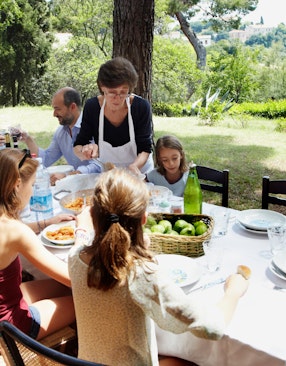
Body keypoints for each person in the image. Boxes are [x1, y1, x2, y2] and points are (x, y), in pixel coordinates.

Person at [70, 168, 249, 365]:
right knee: (195, 361)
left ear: (93, 215)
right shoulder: (141, 275)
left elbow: (81, 243)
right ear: (144, 220)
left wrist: (81, 229)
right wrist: (233, 291)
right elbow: (212, 328)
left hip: (85, 362)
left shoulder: (74, 258)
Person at [0, 148, 75, 340]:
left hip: (7, 299)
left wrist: (47, 223)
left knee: (59, 287)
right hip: (10, 326)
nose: (33, 191)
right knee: (81, 300)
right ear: (17, 185)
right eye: (32, 184)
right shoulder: (15, 232)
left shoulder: (8, 225)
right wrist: (82, 230)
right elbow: (73, 279)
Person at [73, 57, 154, 175]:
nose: (118, 98)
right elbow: (78, 145)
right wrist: (85, 151)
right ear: (102, 88)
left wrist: (134, 167)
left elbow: (145, 148)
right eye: (112, 92)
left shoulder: (140, 107)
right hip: (109, 175)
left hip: (139, 172)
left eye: (123, 92)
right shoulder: (93, 107)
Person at [11, 87, 102, 186]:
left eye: (57, 109)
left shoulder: (94, 127)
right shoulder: (61, 132)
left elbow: (99, 165)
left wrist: (69, 175)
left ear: (72, 107)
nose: (54, 114)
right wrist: (28, 139)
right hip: (78, 186)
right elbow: (46, 159)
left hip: (98, 185)